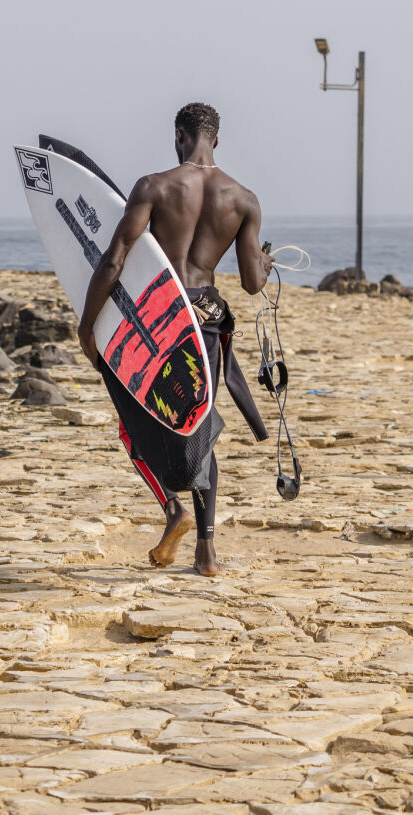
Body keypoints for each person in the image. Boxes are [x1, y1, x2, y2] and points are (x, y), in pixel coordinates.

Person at [78, 102, 272, 577]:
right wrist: (265, 265)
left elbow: (114, 259)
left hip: (158, 318)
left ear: (180, 135)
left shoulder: (154, 187)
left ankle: (172, 509)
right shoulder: (244, 199)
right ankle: (206, 553)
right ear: (216, 140)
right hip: (203, 320)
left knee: (136, 424)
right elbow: (251, 283)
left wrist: (88, 326)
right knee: (198, 429)